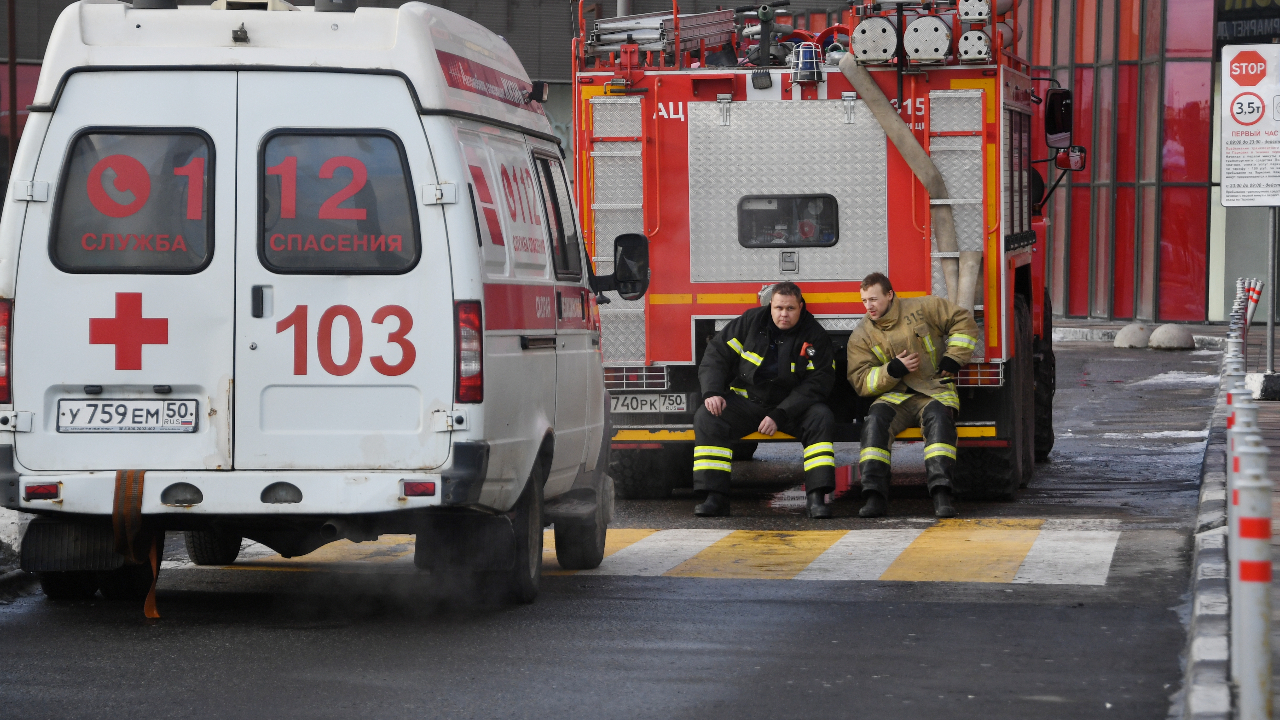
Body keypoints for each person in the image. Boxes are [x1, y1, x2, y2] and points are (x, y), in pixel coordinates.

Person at [692, 282, 837, 518]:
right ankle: (715, 497)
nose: (784, 314)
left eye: (790, 308)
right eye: (779, 307)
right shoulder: (750, 322)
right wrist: (712, 392)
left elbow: (819, 382)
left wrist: (780, 414)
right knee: (708, 417)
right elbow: (717, 354)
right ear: (771, 305)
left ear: (800, 307)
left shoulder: (814, 334)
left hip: (790, 408)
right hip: (748, 402)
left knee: (820, 417)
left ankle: (816, 499)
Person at [846, 272, 980, 518]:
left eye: (873, 299)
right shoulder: (862, 334)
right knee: (874, 423)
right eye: (864, 301)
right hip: (894, 397)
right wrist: (892, 370)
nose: (869, 307)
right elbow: (860, 381)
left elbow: (963, 321)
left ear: (890, 294)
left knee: (940, 423)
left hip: (934, 390)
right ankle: (874, 496)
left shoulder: (924, 307)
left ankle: (942, 494)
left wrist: (954, 357)